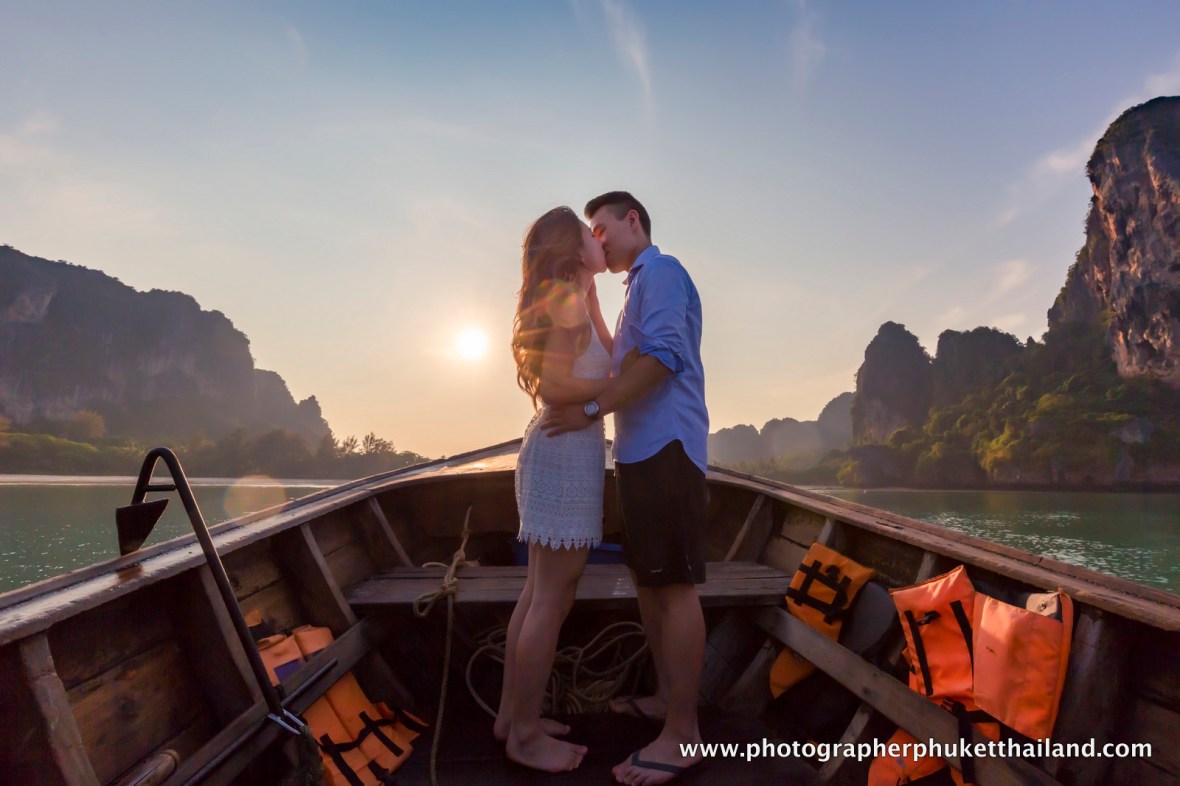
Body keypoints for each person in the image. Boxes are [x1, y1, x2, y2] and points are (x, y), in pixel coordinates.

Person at [543, 191, 709, 785]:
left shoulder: (661, 273)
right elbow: (623, 361)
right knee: (648, 584)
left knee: (674, 589)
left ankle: (684, 733)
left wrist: (591, 410)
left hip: (667, 447)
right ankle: (666, 699)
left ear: (631, 220)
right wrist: (592, 306)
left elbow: (660, 360)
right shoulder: (635, 287)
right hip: (639, 453)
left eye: (601, 228)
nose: (597, 240)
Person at [495, 205, 613, 772]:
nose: (600, 238)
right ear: (572, 248)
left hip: (564, 451)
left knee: (540, 593)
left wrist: (596, 302)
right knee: (550, 597)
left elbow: (609, 359)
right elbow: (553, 385)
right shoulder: (567, 299)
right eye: (590, 234)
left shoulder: (578, 297)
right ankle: (523, 736)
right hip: (563, 454)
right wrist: (607, 394)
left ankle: (510, 717)